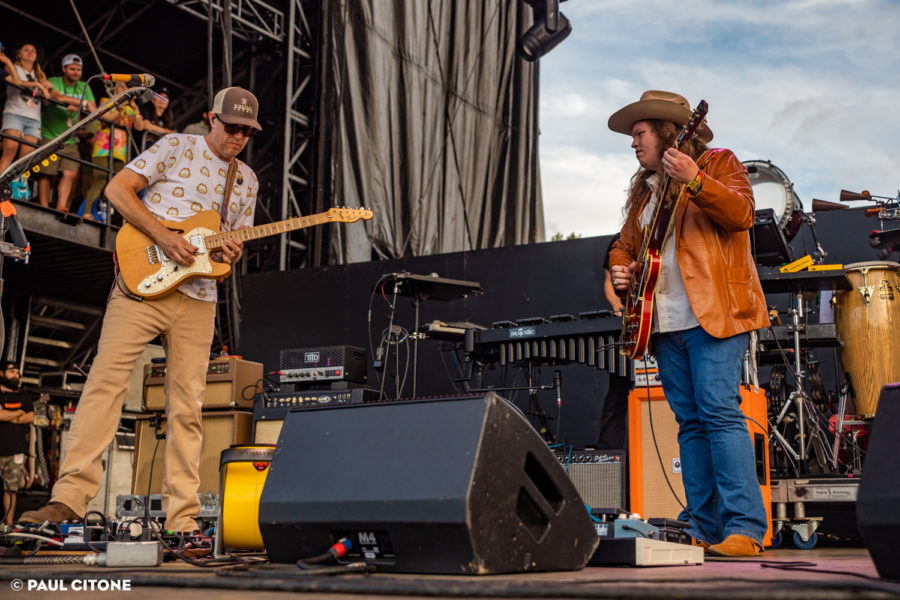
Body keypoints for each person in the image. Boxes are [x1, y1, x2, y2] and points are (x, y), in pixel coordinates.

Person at [19, 87, 261, 533]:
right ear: (212, 118)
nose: (239, 137)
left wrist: (229, 251)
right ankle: (68, 500)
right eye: (232, 127)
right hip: (140, 285)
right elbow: (118, 189)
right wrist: (164, 237)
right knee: (104, 386)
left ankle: (182, 518)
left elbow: (232, 240)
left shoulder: (246, 179)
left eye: (248, 131)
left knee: (188, 406)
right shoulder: (175, 146)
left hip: (199, 298)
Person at [608, 90, 769, 557]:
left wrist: (695, 179)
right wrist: (620, 268)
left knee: (719, 414)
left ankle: (745, 529)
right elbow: (624, 245)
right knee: (690, 424)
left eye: (640, 133)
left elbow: (742, 215)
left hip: (713, 314)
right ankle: (702, 525)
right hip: (664, 323)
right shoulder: (646, 189)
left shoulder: (718, 163)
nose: (633, 143)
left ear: (667, 132)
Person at [37, 54, 97, 211]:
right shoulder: (54, 80)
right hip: (49, 134)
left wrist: (78, 107)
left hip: (70, 138)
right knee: (47, 173)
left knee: (71, 173)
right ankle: (43, 207)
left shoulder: (84, 86)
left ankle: (61, 207)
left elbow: (94, 109)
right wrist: (82, 103)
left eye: (79, 69)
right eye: (72, 69)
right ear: (64, 69)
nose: (76, 72)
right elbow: (57, 96)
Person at [83, 80, 144, 221]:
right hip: (103, 147)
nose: (125, 89)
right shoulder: (107, 101)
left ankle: (113, 218)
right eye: (122, 86)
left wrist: (135, 108)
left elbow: (139, 127)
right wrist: (120, 107)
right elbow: (106, 118)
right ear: (114, 89)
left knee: (117, 183)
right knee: (100, 178)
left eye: (127, 87)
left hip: (120, 150)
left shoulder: (130, 108)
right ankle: (87, 212)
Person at [596, 233, 629, 450]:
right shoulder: (618, 241)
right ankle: (609, 457)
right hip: (628, 328)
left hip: (660, 325)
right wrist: (620, 310)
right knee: (616, 396)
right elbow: (609, 282)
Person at [0, 42, 54, 175]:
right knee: (9, 152)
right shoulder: (13, 67)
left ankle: (16, 185)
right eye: (26, 50)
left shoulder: (40, 74)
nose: (30, 52)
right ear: (19, 54)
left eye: (33, 51)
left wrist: (49, 89)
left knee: (25, 158)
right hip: (14, 113)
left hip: (34, 118)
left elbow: (47, 101)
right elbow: (17, 81)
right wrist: (38, 85)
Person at [0, 362, 36, 526]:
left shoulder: (24, 396)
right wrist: (19, 413)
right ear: (2, 373)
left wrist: (8, 415)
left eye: (17, 372)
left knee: (11, 489)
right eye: (11, 371)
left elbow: (31, 417)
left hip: (16, 451)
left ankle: (8, 525)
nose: (15, 375)